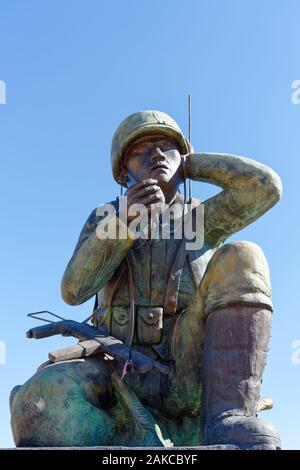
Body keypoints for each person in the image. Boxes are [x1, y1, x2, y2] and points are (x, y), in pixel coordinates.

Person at [10, 110, 282, 449]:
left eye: (166, 147)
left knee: (245, 255)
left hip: (187, 368)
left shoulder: (200, 217)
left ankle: (226, 418)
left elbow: (265, 188)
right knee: (37, 401)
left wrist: (191, 164)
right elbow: (73, 290)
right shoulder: (106, 216)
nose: (155, 154)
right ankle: (129, 438)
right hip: (119, 369)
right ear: (123, 171)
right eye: (141, 150)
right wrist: (124, 222)